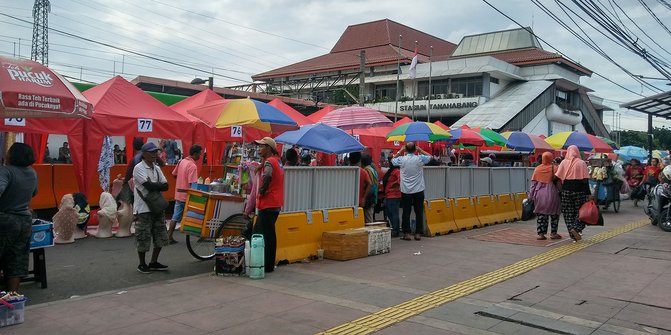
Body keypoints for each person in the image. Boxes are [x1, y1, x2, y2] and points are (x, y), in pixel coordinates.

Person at [0, 143, 38, 293]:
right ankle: (12, 297)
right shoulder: (32, 173)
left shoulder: (6, 171)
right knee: (16, 260)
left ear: (12, 155)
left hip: (5, 219)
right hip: (24, 221)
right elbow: (34, 193)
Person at [133, 142, 170, 273]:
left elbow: (166, 186)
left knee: (160, 235)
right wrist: (157, 185)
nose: (155, 154)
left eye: (156, 152)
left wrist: (154, 184)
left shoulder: (156, 167)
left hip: (156, 206)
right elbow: (150, 185)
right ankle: (142, 264)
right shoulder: (138, 168)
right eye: (152, 152)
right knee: (143, 236)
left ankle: (153, 262)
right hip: (143, 208)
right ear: (144, 154)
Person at [252, 137, 284, 273]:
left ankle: (267, 265)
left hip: (268, 203)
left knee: (263, 234)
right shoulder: (275, 161)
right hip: (274, 203)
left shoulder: (270, 162)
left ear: (269, 149)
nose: (260, 149)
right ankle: (267, 264)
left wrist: (262, 190)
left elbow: (268, 176)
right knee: (268, 234)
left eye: (262, 146)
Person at [392, 142, 431, 241]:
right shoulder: (420, 158)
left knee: (406, 211)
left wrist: (400, 151)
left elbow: (392, 160)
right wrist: (421, 150)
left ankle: (407, 233)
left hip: (406, 190)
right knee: (418, 211)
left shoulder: (401, 159)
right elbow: (430, 157)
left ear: (406, 149)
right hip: (418, 189)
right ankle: (418, 233)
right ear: (415, 149)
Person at [167, 144, 202, 244]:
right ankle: (200, 235)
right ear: (195, 154)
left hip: (178, 193)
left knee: (175, 216)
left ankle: (169, 236)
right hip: (187, 195)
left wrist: (181, 181)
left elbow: (174, 174)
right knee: (197, 214)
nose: (200, 156)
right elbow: (193, 184)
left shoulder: (182, 161)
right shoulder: (192, 166)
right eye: (199, 154)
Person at [554, 145, 590, 241]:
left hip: (566, 191)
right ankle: (576, 228)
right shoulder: (582, 163)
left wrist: (558, 189)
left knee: (568, 213)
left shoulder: (563, 162)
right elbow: (585, 181)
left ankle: (571, 230)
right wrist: (589, 194)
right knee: (582, 212)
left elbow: (556, 178)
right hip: (579, 191)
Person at [529, 152, 562, 240]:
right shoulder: (555, 168)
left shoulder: (537, 169)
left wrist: (530, 196)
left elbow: (533, 184)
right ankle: (553, 233)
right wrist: (561, 191)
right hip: (552, 193)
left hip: (539, 194)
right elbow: (558, 182)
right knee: (554, 214)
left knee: (541, 215)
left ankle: (541, 234)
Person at [382, 156, 401, 237]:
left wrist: (394, 184)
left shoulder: (396, 171)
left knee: (393, 213)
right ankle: (395, 229)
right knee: (391, 213)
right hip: (389, 195)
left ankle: (395, 230)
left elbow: (400, 179)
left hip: (393, 195)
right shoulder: (391, 171)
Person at [361, 154, 379, 223]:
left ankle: (370, 233)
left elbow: (369, 184)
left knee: (368, 218)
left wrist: (364, 198)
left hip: (368, 197)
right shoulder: (372, 169)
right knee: (369, 215)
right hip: (373, 196)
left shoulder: (366, 170)